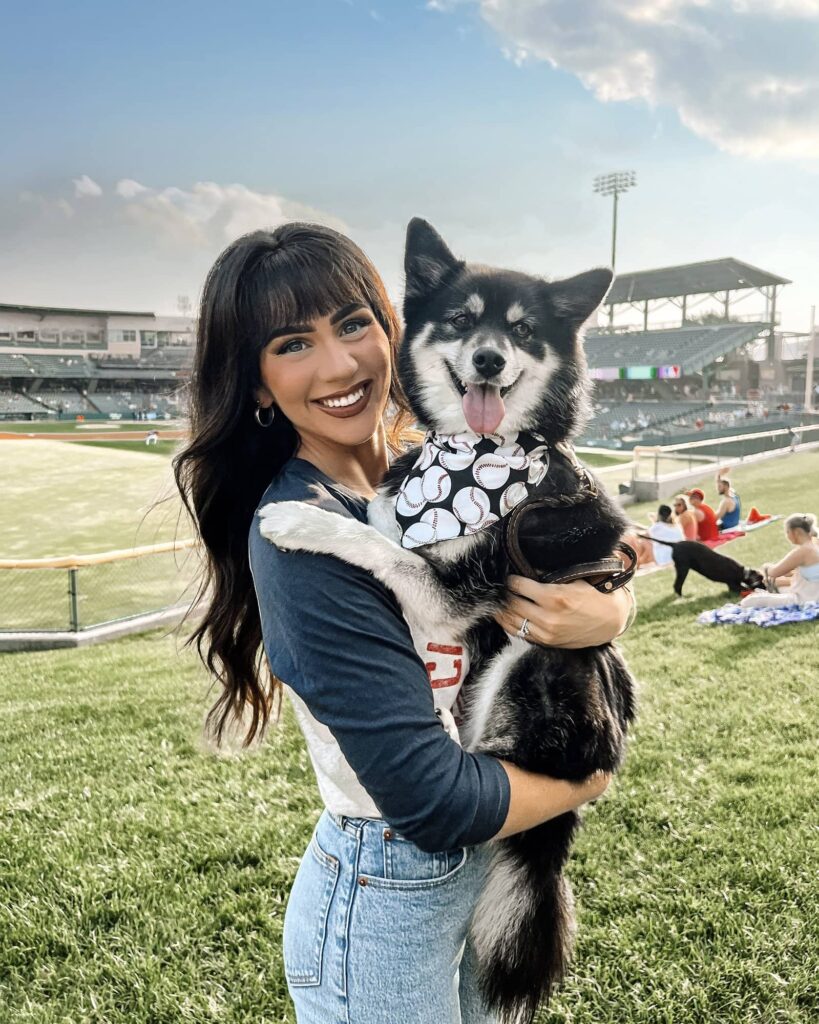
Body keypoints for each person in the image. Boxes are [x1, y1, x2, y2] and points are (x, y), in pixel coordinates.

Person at [172, 224, 635, 1024]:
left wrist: (607, 605)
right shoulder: (298, 536)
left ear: (391, 329)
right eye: (292, 344)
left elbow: (579, 539)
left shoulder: (429, 478)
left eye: (353, 324)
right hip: (385, 882)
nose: (341, 363)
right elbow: (429, 800)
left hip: (482, 859)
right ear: (254, 383)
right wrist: (587, 780)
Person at [740, 513, 819, 608]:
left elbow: (774, 572)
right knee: (779, 585)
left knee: (749, 601)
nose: (787, 536)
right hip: (811, 594)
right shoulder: (814, 546)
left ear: (796, 532)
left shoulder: (803, 551)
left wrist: (766, 567)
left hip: (803, 600)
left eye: (788, 532)